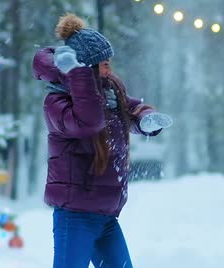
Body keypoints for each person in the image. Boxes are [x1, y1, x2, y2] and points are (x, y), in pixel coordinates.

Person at [32, 14, 173, 268]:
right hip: (75, 214)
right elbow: (89, 121)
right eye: (104, 64)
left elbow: (131, 109)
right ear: (87, 67)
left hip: (105, 215)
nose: (109, 71)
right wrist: (78, 74)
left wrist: (146, 119)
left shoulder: (108, 91)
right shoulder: (57, 102)